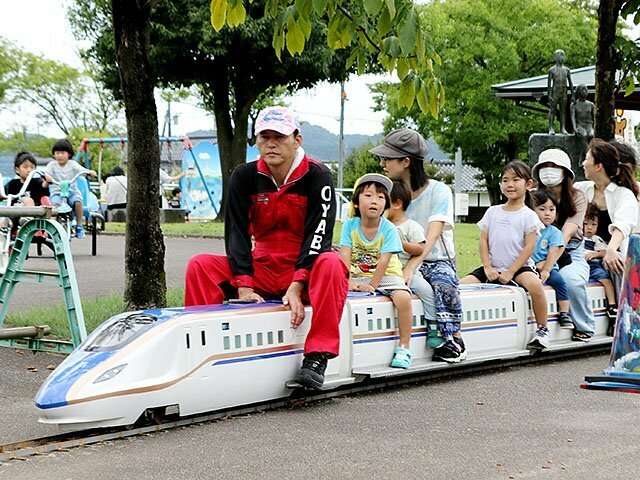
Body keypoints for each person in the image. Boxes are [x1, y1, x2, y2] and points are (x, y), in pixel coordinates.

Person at [184, 106, 348, 390]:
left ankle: (317, 356)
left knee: (332, 264)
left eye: (280, 137)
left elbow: (319, 234)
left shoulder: (318, 175)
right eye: (264, 136)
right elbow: (235, 232)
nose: (271, 144)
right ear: (256, 140)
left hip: (302, 267)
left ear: (297, 139)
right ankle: (198, 350)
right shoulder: (243, 176)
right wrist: (244, 285)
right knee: (200, 265)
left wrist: (298, 284)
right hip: (262, 267)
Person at [371, 128, 464, 363]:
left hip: (435, 259)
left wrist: (413, 267)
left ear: (405, 162)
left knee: (443, 283)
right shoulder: (388, 192)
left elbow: (432, 236)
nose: (382, 163)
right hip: (397, 259)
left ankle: (453, 339)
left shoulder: (439, 191)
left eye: (387, 158)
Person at [460, 161, 549, 350]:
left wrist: (511, 272)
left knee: (535, 287)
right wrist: (487, 267)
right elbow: (483, 241)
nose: (509, 184)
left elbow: (529, 248)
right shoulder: (492, 212)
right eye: (505, 180)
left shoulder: (529, 215)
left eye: (515, 180)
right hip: (492, 266)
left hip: (519, 268)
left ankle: (543, 329)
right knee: (459, 287)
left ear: (528, 184)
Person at [339, 174, 415, 368]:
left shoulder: (389, 229)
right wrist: (348, 281)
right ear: (356, 203)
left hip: (386, 275)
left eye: (381, 197)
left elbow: (384, 261)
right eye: (369, 195)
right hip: (357, 274)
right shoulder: (349, 226)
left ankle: (404, 347)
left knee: (403, 299)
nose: (375, 201)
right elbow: (345, 255)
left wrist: (372, 285)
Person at [575, 139, 639, 334]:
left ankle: (626, 321)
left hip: (611, 252)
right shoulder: (581, 189)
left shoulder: (624, 194)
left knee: (618, 264)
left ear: (599, 165)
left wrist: (610, 250)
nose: (583, 163)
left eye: (587, 159)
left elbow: (623, 224)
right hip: (583, 251)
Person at [532, 148, 593, 342]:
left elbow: (565, 235)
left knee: (571, 280)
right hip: (534, 250)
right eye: (545, 167)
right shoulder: (532, 196)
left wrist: (548, 264)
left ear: (565, 171)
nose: (549, 171)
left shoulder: (577, 197)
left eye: (554, 167)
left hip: (570, 251)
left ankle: (585, 327)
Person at [386, 179, 443, 346]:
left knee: (426, 290)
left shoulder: (411, 226)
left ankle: (433, 325)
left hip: (407, 271)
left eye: (383, 201)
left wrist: (399, 243)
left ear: (397, 204)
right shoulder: (380, 226)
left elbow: (420, 248)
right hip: (387, 272)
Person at [531, 189, 573, 329]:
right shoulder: (528, 228)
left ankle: (564, 313)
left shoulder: (554, 232)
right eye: (542, 209)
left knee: (559, 281)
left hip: (547, 268)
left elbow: (554, 250)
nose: (547, 213)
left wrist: (546, 270)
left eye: (551, 209)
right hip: (529, 268)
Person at [44, 139, 97, 239]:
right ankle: (50, 228)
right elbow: (46, 174)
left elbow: (81, 170)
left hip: (72, 192)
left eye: (63, 153)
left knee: (78, 202)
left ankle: (79, 226)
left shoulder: (72, 164)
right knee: (54, 206)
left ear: (69, 154)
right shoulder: (52, 165)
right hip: (57, 193)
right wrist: (47, 178)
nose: (60, 155)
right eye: (57, 153)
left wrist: (89, 172)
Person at [583, 204, 618, 328]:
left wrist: (595, 254)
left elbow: (605, 251)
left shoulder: (596, 239)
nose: (589, 228)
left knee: (605, 278)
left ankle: (612, 305)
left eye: (593, 225)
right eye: (586, 224)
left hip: (593, 265)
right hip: (580, 265)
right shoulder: (575, 237)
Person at [547, 49, 574, 135]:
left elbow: (570, 83)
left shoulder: (567, 70)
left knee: (563, 111)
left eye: (563, 55)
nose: (561, 57)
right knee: (552, 110)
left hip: (564, 92)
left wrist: (573, 94)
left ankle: (562, 128)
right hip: (555, 92)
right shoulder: (551, 70)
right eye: (560, 55)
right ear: (555, 57)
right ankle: (551, 127)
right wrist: (549, 94)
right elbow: (549, 84)